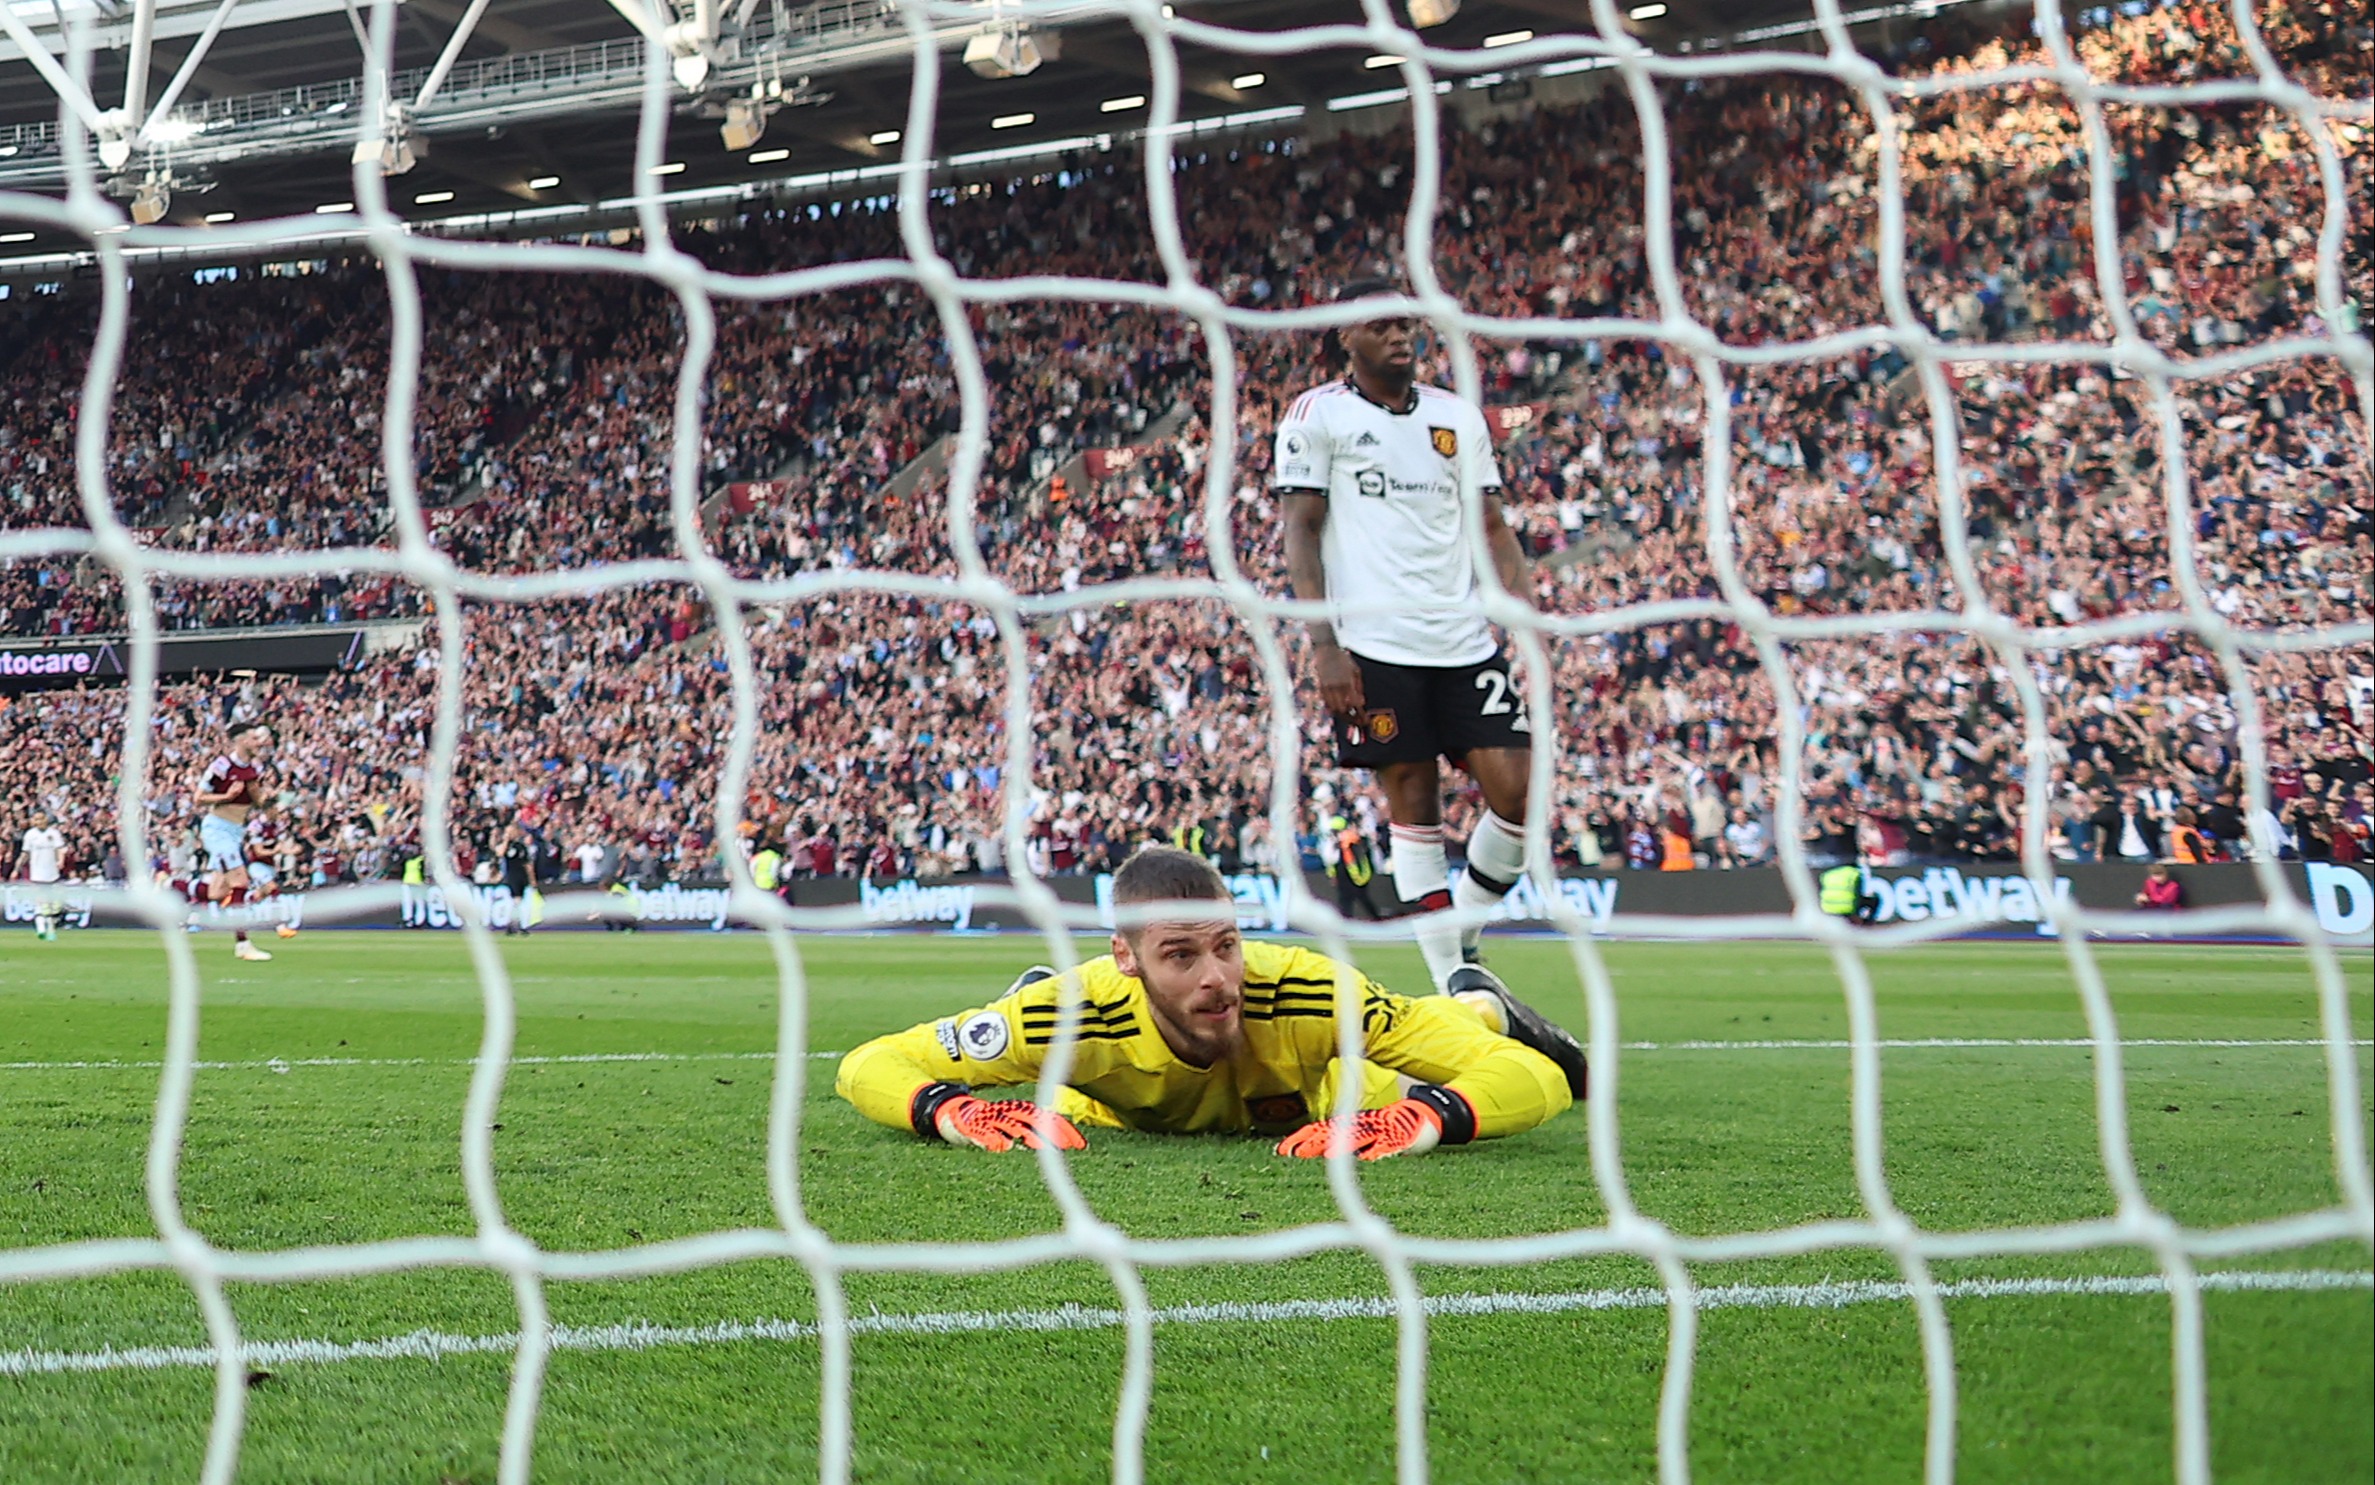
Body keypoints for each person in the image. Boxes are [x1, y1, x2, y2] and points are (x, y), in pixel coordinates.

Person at [835, 845, 1586, 1157]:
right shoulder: (1068, 1012)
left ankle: (1478, 1003)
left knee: (1445, 1038)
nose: (1217, 977)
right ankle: (1471, 1004)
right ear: (1123, 957)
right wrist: (951, 1110)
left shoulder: (1307, 986)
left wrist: (1424, 1119)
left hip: (1347, 1094)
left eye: (1226, 944)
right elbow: (868, 1062)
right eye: (1181, 955)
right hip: (1108, 1092)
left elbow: (1537, 1078)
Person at [1276, 277, 1536, 990]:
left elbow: (1491, 524)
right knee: (1412, 802)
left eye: (1406, 324)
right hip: (1373, 645)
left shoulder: (1458, 417)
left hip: (1462, 639)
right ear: (1345, 338)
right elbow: (1300, 529)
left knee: (1518, 792)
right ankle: (1455, 980)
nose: (1400, 336)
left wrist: (1528, 605)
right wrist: (1323, 646)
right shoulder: (1315, 416)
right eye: (1381, 325)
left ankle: (1464, 930)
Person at [194, 720, 274, 962]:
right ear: (240, 741)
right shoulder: (220, 766)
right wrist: (226, 796)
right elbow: (198, 798)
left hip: (236, 832)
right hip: (217, 829)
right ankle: (243, 944)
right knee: (241, 881)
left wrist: (271, 798)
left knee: (217, 892)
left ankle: (170, 887)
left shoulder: (251, 769)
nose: (256, 742)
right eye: (252, 738)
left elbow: (258, 800)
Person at [20, 810, 66, 941]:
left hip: (52, 873)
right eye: (36, 819)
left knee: (51, 905)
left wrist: (60, 860)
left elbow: (60, 849)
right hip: (37, 874)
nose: (38, 822)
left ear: (46, 819)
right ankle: (41, 929)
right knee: (40, 902)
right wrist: (17, 867)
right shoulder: (30, 835)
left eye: (41, 819)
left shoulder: (53, 833)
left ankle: (51, 930)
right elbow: (25, 852)